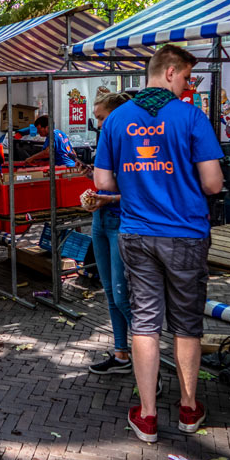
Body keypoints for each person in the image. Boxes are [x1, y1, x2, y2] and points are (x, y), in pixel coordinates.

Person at [94, 44, 224, 443]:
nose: (188, 86)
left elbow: (102, 183)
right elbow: (213, 183)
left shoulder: (117, 120)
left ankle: (147, 416)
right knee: (186, 324)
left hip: (136, 233)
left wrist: (136, 182)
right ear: (169, 73)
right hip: (184, 234)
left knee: (145, 323)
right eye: (186, 77)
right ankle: (188, 408)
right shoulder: (190, 117)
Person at [80, 91, 135, 375]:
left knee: (121, 293)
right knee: (111, 294)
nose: (99, 124)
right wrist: (96, 195)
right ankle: (121, 354)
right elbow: (106, 182)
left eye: (102, 118)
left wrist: (107, 199)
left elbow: (138, 192)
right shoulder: (107, 139)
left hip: (120, 222)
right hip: (101, 220)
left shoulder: (133, 142)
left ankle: (147, 352)